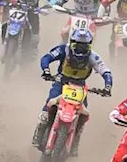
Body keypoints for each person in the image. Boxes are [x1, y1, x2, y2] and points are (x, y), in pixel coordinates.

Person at [33, 25, 114, 154]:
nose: (81, 49)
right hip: (61, 83)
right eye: (78, 45)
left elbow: (105, 70)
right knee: (47, 108)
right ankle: (39, 134)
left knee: (83, 114)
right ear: (72, 43)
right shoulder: (63, 50)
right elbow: (46, 58)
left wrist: (107, 86)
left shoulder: (93, 56)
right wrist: (46, 71)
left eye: (85, 46)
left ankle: (75, 141)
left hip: (80, 87)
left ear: (90, 45)